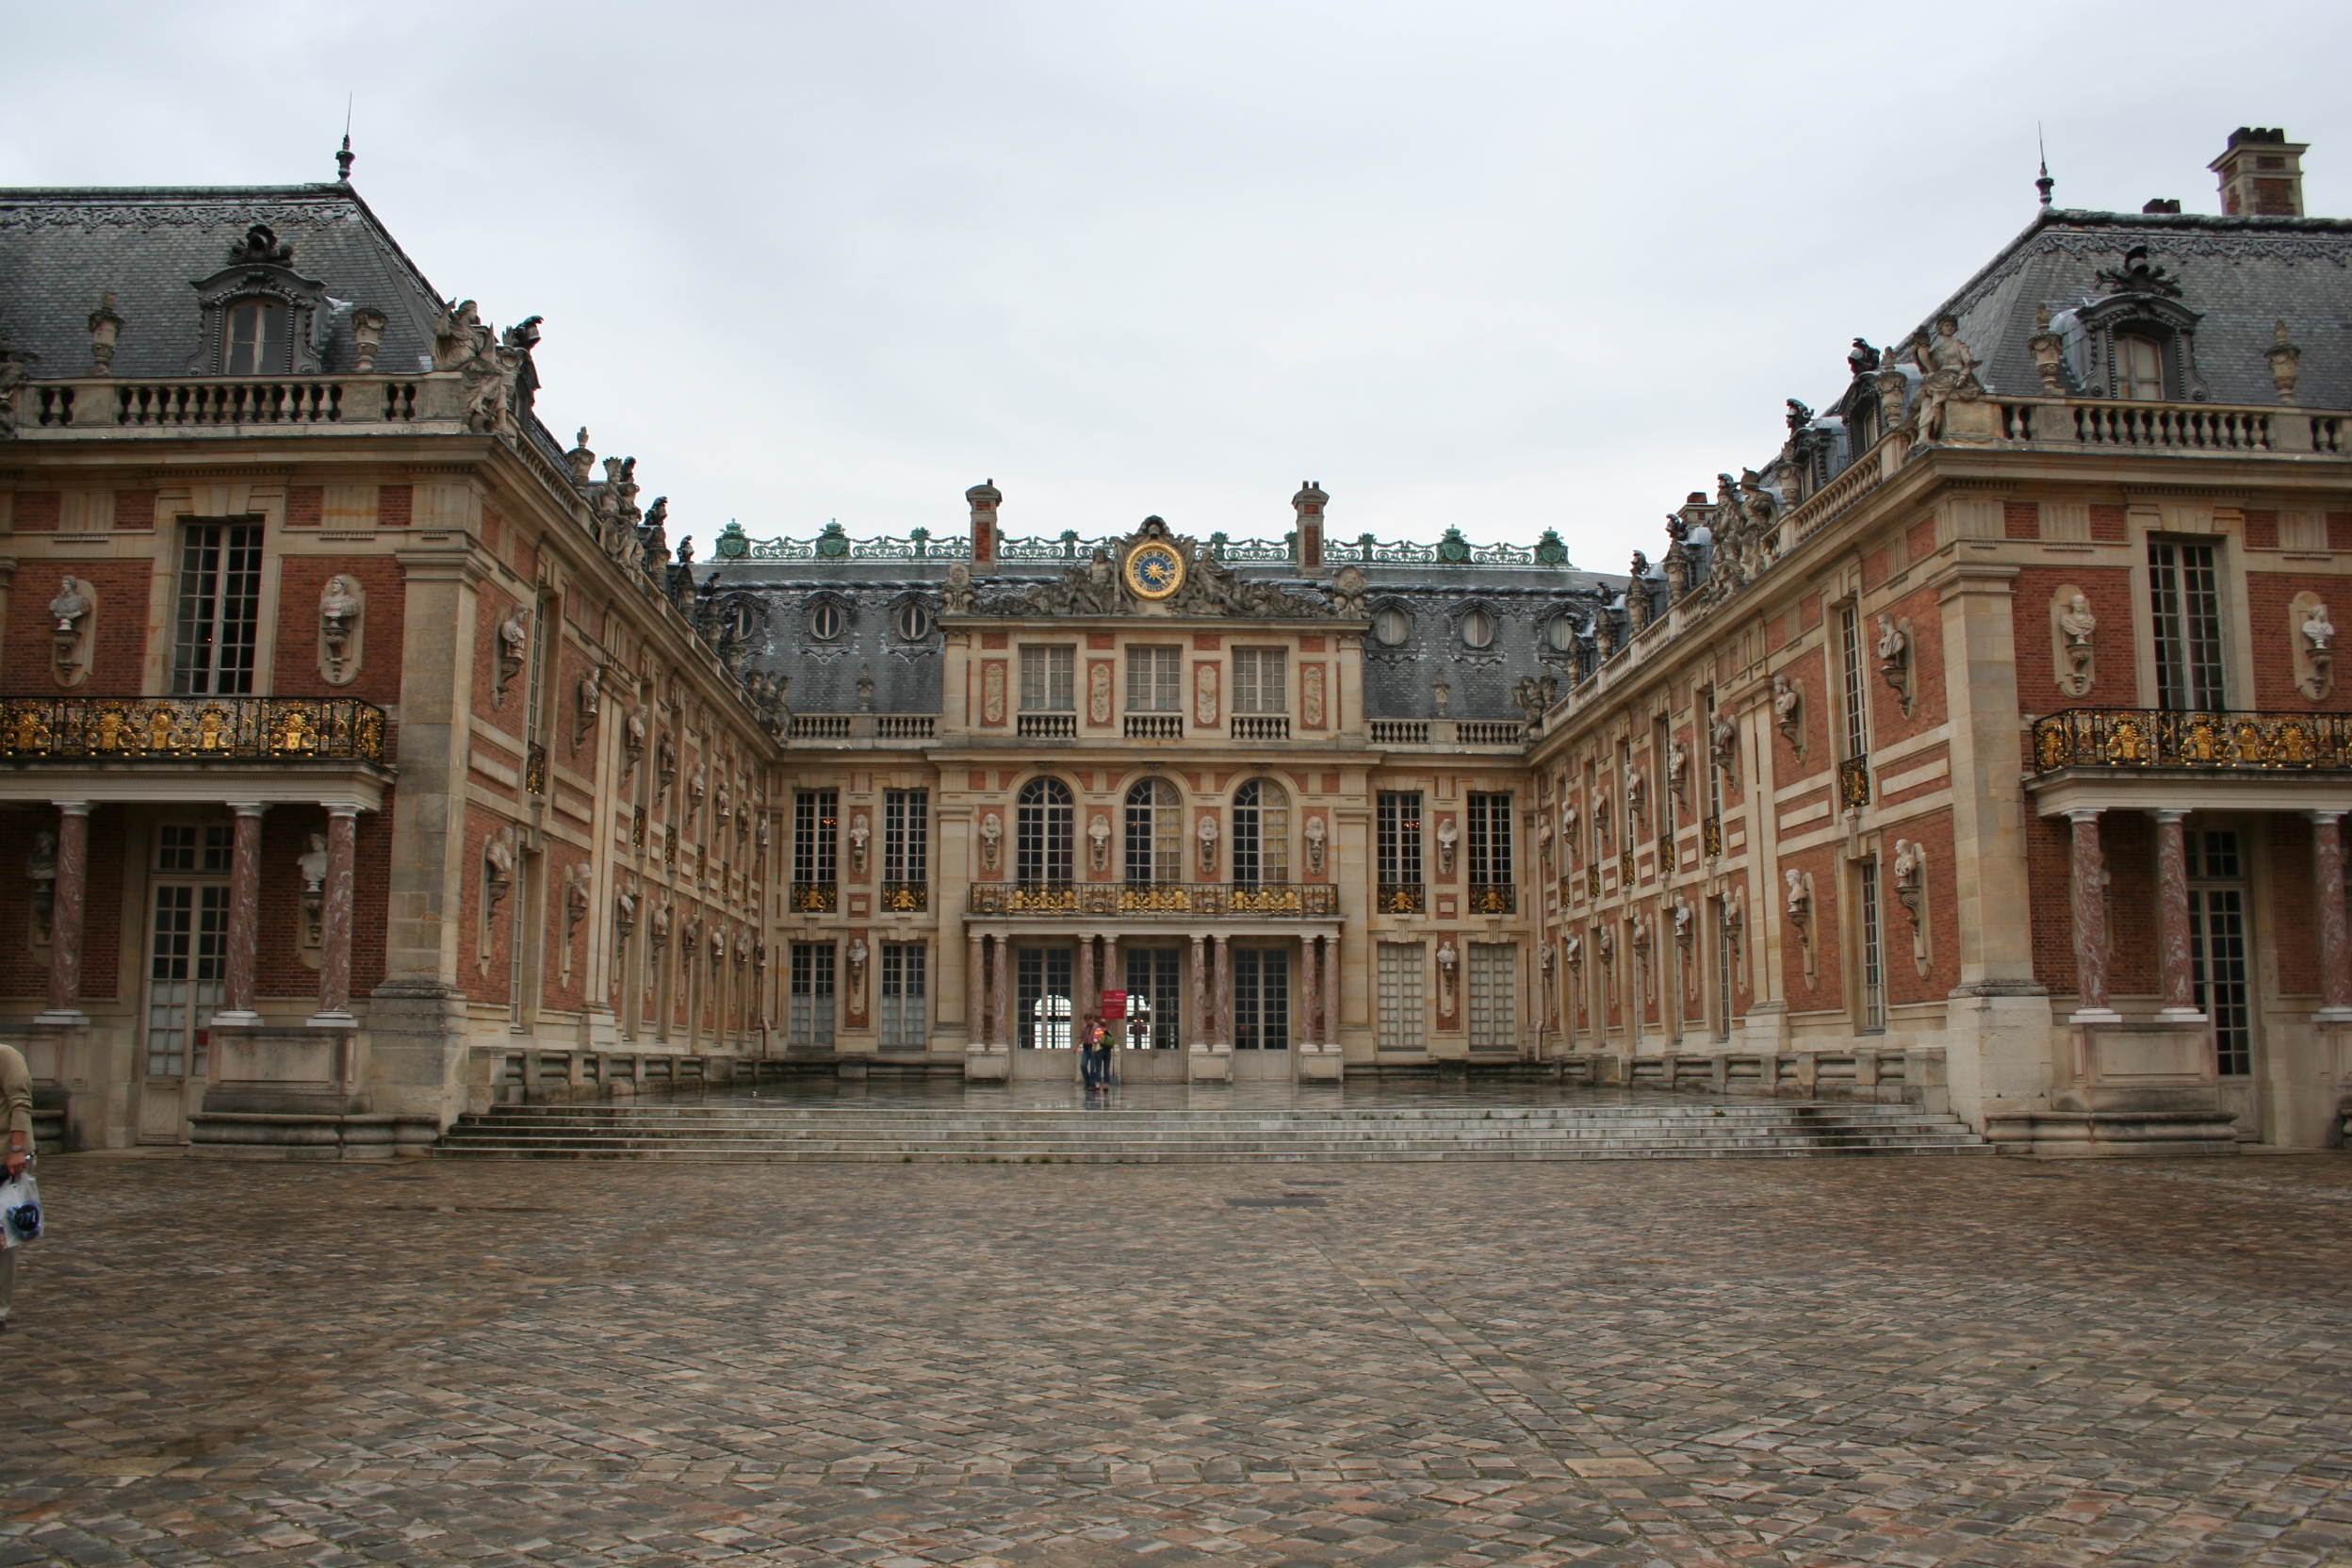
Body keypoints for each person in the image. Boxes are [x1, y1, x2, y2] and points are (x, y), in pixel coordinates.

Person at [0, 1039, 30, 1332]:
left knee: (2, 1238)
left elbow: (20, 1102)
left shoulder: (6, 1056)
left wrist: (17, 1148)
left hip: (6, 1158)